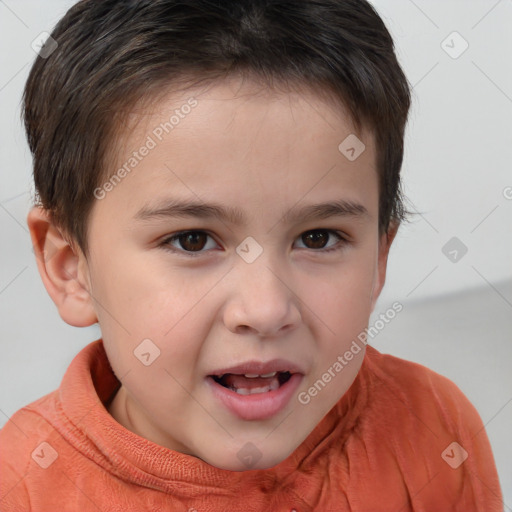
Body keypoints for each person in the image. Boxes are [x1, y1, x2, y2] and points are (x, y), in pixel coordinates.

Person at [0, 0, 503, 510]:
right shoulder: (20, 486)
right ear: (70, 267)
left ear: (379, 259)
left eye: (318, 238)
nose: (265, 310)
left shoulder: (435, 427)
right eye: (192, 239)